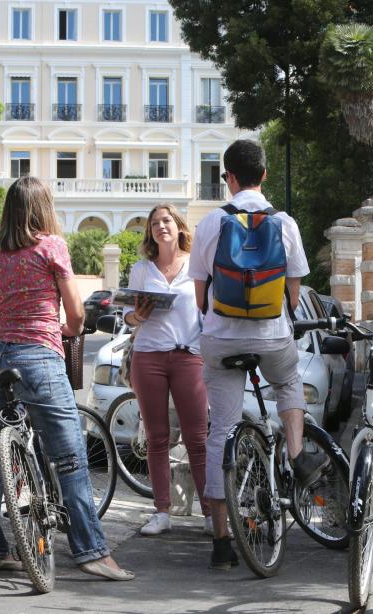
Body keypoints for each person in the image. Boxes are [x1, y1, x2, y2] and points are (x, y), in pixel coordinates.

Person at [0, 176, 133, 580]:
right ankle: (91, 551)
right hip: (39, 357)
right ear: (42, 208)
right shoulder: (51, 247)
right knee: (69, 456)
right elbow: (77, 314)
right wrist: (67, 330)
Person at [189, 139, 328, 569]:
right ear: (264, 175)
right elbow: (294, 288)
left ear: (227, 178)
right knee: (287, 381)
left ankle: (220, 542)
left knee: (221, 431)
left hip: (221, 339)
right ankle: (295, 451)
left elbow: (198, 294)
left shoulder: (211, 222)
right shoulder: (284, 222)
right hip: (271, 336)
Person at [122, 204, 211, 536]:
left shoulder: (198, 267)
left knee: (197, 439)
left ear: (179, 227)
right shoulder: (142, 270)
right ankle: (162, 511)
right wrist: (137, 317)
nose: (161, 226)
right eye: (155, 222)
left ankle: (210, 513)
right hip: (148, 357)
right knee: (157, 438)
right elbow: (128, 317)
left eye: (167, 220)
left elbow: (209, 313)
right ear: (150, 232)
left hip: (188, 356)